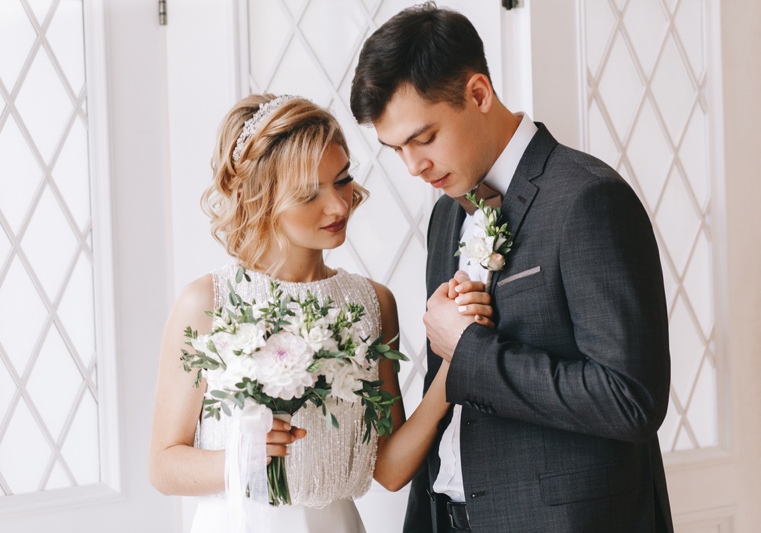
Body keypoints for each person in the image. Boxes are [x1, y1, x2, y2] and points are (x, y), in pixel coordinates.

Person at [350, 3, 674, 532]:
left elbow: (630, 400)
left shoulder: (589, 199)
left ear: (478, 94)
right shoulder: (444, 215)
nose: (413, 167)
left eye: (424, 137)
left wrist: (469, 350)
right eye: (395, 149)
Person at [147, 94, 493, 532]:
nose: (338, 206)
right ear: (260, 197)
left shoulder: (373, 303)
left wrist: (455, 361)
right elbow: (162, 466)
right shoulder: (208, 303)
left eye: (343, 179)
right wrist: (239, 457)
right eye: (309, 193)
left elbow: (389, 470)